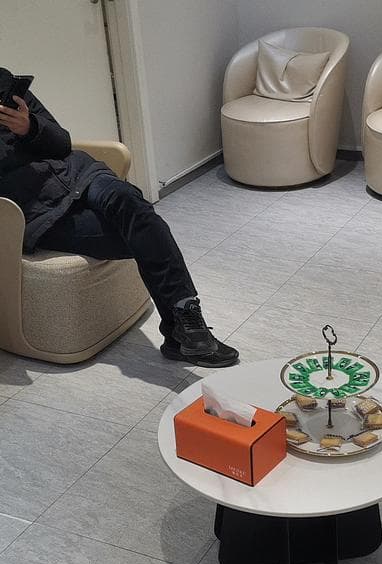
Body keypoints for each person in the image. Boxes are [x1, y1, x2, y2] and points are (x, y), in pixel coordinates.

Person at [0, 70, 239, 368]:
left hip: (78, 174)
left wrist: (29, 126)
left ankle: (188, 322)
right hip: (37, 211)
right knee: (145, 235)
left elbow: (61, 143)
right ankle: (179, 335)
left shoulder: (4, 83)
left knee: (136, 209)